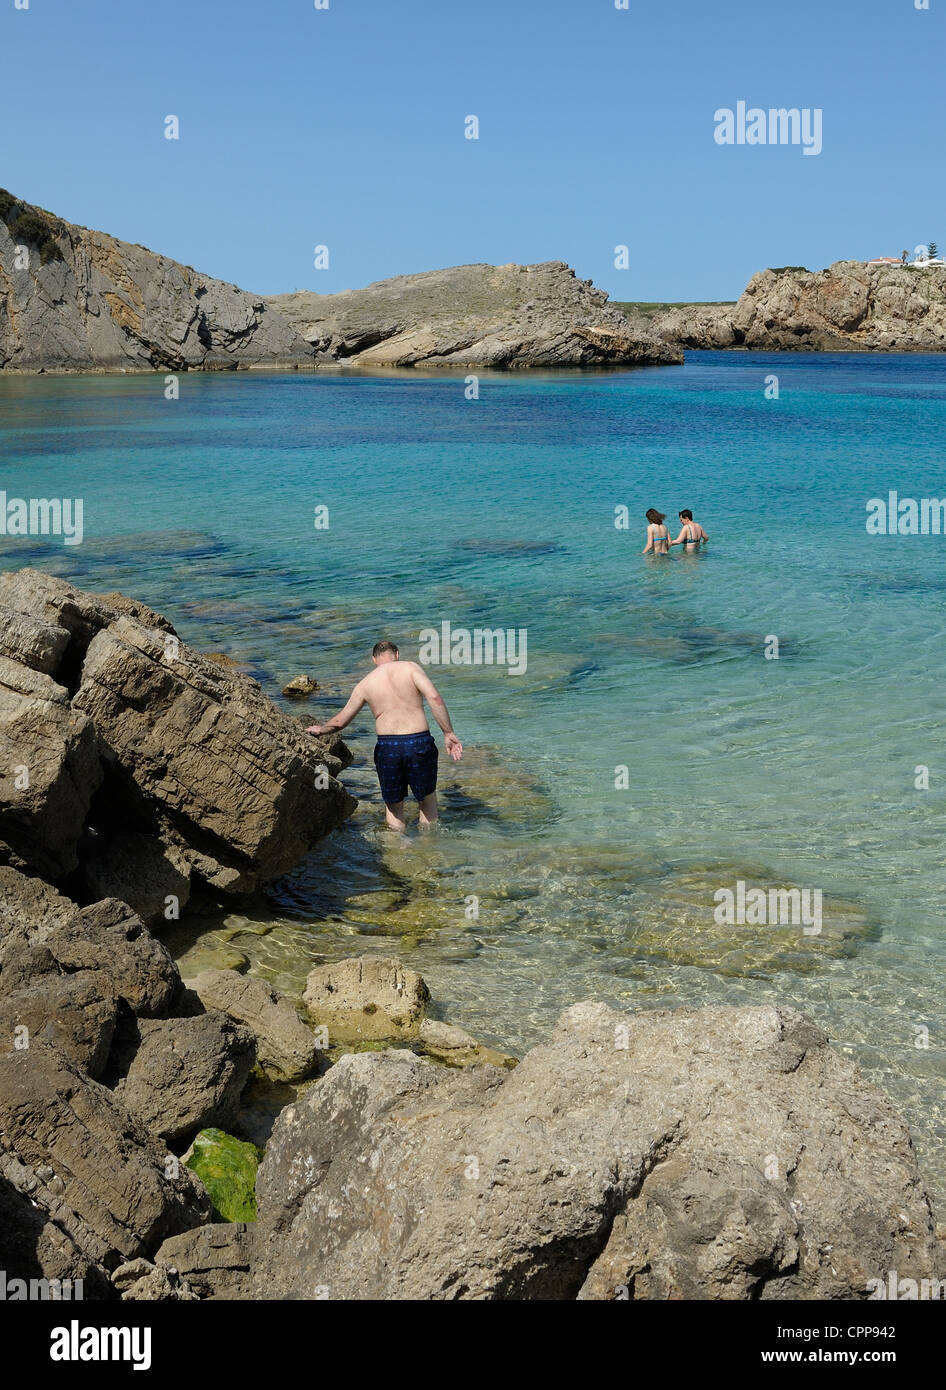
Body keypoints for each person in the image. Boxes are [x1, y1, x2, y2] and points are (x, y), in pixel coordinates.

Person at [306, 640, 462, 831]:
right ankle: (429, 854)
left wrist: (320, 729)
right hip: (418, 741)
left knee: (394, 808)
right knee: (427, 801)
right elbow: (435, 698)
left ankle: (399, 855)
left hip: (388, 747)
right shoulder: (411, 668)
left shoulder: (365, 683)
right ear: (397, 654)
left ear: (374, 659)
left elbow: (340, 721)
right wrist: (448, 732)